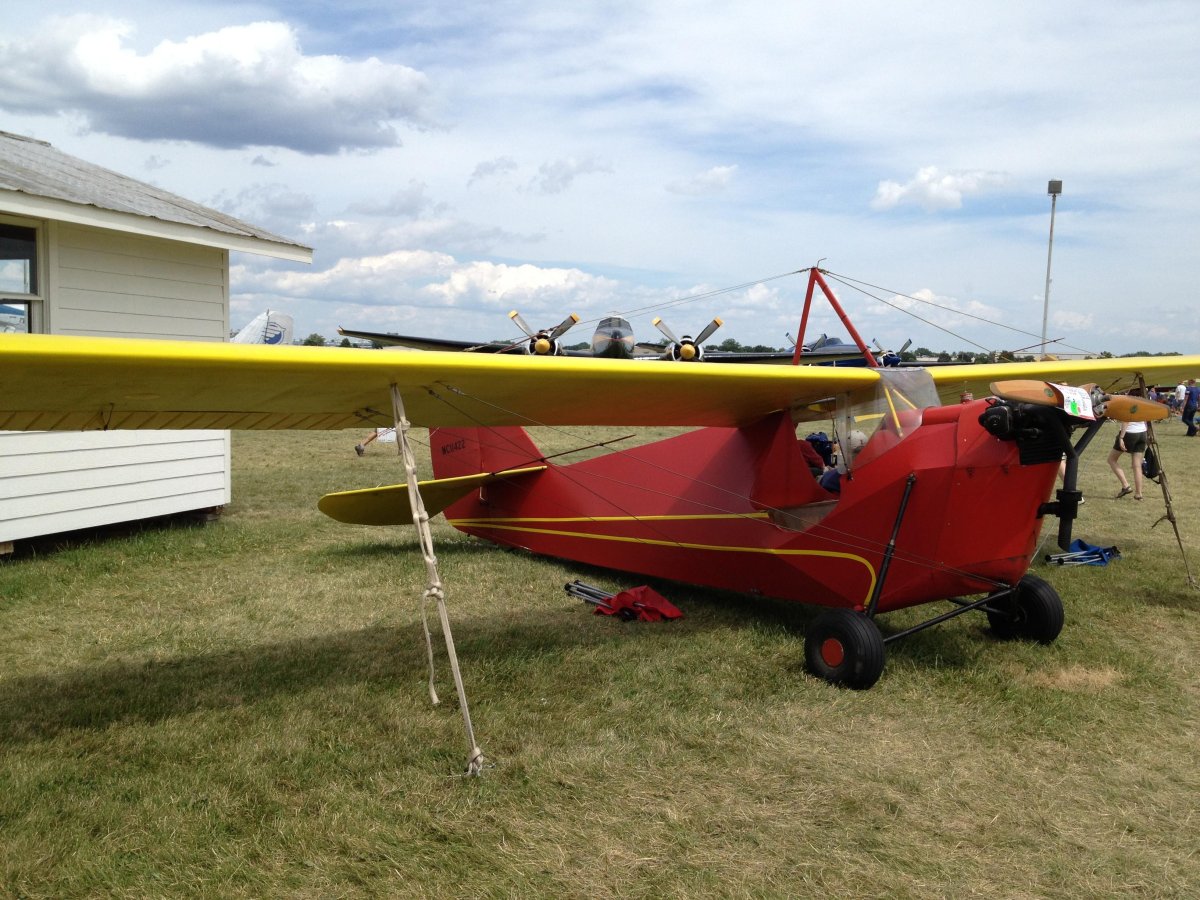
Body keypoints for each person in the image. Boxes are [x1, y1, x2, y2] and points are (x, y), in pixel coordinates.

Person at [1108, 416, 1148, 500]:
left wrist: (1121, 437)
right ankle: (1138, 494)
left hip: (1129, 432)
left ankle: (1125, 485)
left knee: (1111, 459)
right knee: (1137, 465)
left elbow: (1126, 419)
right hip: (1142, 432)